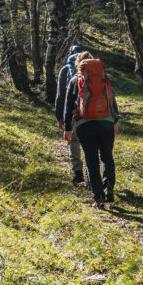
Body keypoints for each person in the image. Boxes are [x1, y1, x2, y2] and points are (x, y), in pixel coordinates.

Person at [62, 51, 119, 208]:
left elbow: (67, 106)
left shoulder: (75, 80)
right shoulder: (104, 79)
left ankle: (98, 197)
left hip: (84, 125)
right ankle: (108, 185)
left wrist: (67, 128)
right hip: (106, 122)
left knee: (91, 161)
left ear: (79, 65)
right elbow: (112, 101)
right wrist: (115, 120)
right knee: (107, 156)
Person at [54, 44, 86, 185]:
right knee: (89, 141)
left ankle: (78, 172)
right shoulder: (90, 70)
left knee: (74, 141)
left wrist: (59, 116)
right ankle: (93, 174)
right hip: (91, 112)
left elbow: (61, 95)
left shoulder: (66, 70)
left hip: (73, 112)